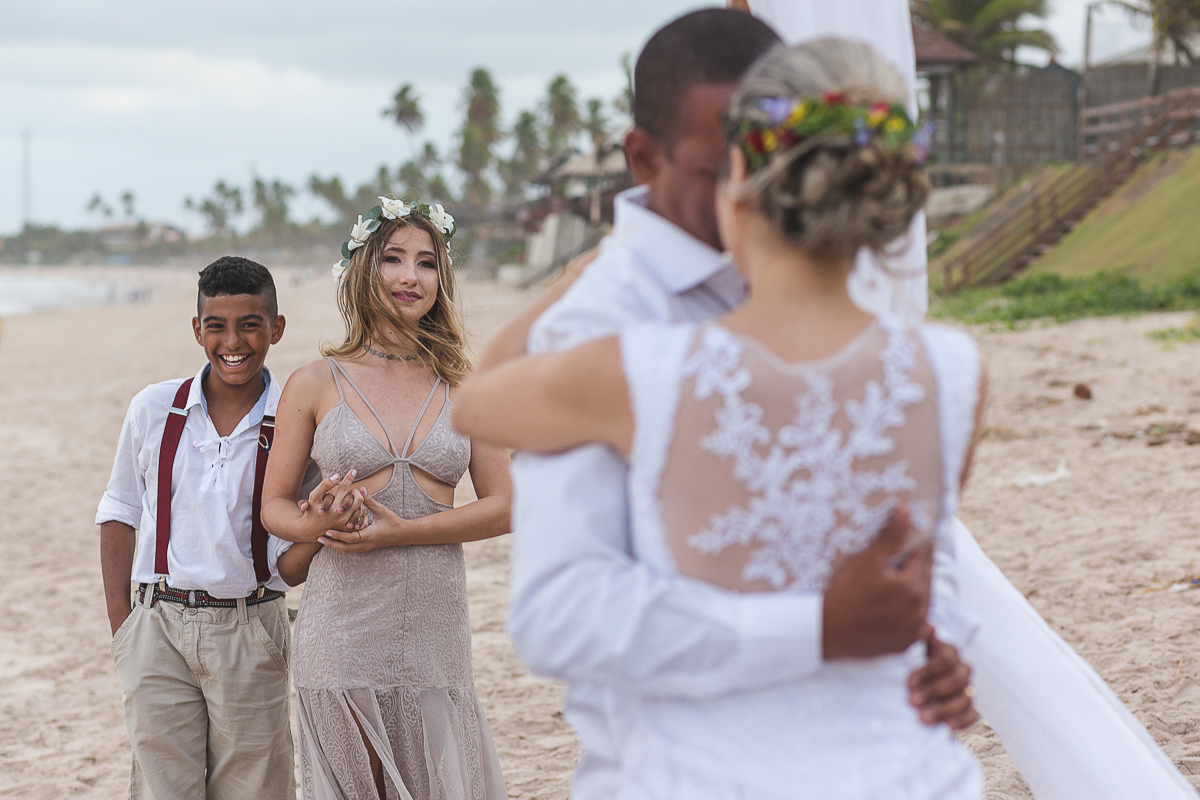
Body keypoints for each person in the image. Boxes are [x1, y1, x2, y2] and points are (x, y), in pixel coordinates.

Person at [456, 38, 985, 798]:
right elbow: (565, 615)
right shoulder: (609, 326)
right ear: (646, 158)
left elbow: (921, 546)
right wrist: (818, 632)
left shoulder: (650, 365)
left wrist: (938, 644)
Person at [261, 198, 510, 800]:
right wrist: (315, 516)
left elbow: (507, 505)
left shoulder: (465, 384)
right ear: (362, 268)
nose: (409, 276)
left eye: (426, 263)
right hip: (341, 630)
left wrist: (404, 532)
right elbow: (273, 507)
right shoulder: (315, 382)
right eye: (393, 259)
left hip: (435, 630)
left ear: (440, 280)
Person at [97, 256, 297, 799]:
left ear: (276, 329)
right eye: (217, 325)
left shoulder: (294, 418)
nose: (233, 341)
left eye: (250, 324)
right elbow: (120, 509)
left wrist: (320, 531)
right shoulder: (155, 408)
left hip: (251, 626)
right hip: (156, 625)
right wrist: (125, 628)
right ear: (197, 330)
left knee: (255, 783)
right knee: (163, 786)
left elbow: (291, 561)